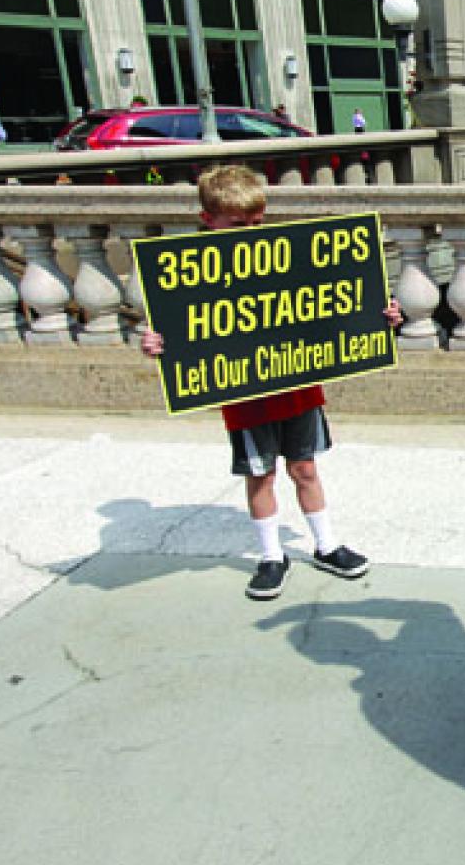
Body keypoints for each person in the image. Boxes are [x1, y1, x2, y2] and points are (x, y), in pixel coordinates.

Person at [140, 165, 404, 601]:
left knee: (305, 468)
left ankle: (326, 544)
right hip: (244, 397)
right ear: (208, 220)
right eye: (238, 225)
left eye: (257, 223)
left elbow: (333, 301)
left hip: (297, 385)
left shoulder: (287, 257)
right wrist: (154, 343)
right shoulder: (187, 269)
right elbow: (176, 327)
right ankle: (270, 555)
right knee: (260, 475)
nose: (249, 232)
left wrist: (382, 315)